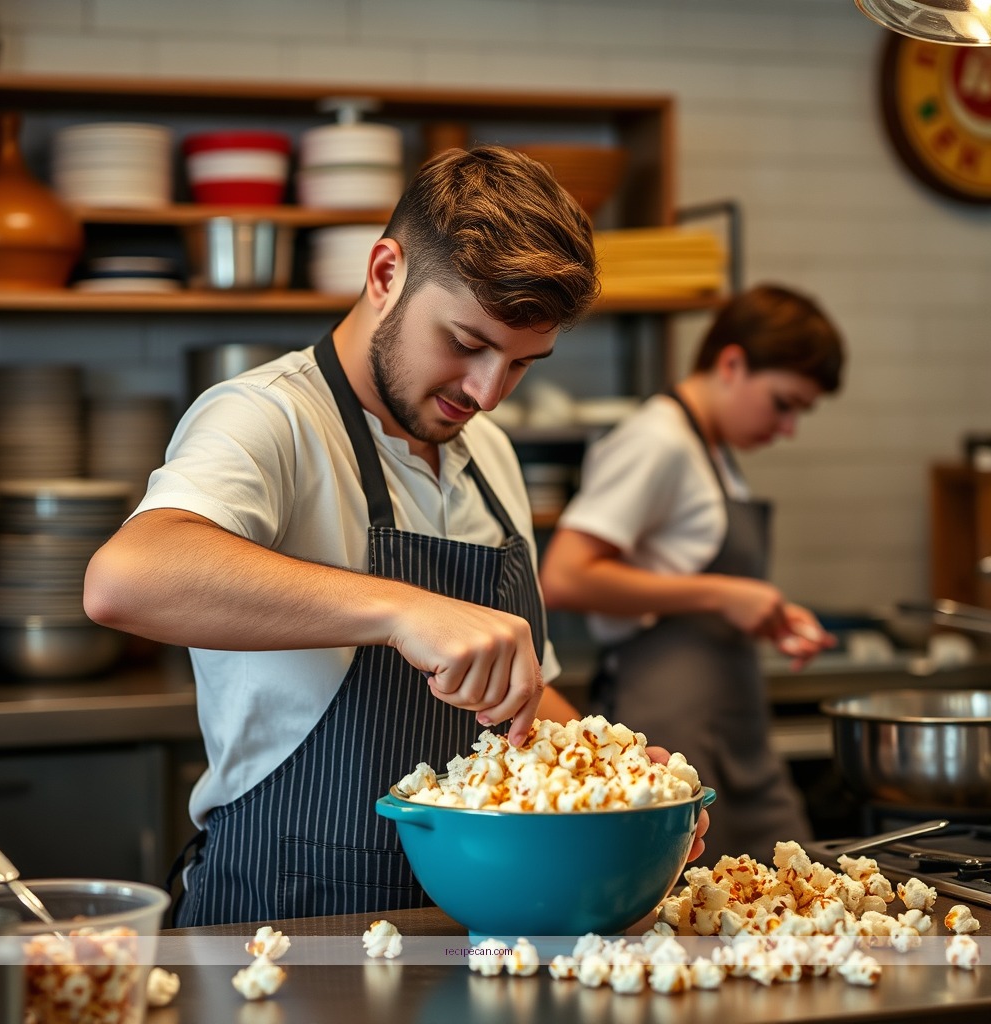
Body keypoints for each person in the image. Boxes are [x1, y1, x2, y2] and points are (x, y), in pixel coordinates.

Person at [84, 144, 706, 927]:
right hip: (287, 918)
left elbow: (517, 692)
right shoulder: (268, 418)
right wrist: (403, 610)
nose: (486, 392)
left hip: (469, 913)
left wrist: (609, 778)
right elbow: (126, 579)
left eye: (522, 364)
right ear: (384, 276)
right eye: (467, 343)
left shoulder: (491, 456)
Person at [539, 283, 845, 864]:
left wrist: (760, 613)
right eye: (784, 403)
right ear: (732, 363)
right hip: (673, 728)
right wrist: (720, 593)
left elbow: (676, 575)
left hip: (731, 728)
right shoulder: (658, 441)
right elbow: (565, 575)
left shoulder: (713, 451)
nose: (788, 429)